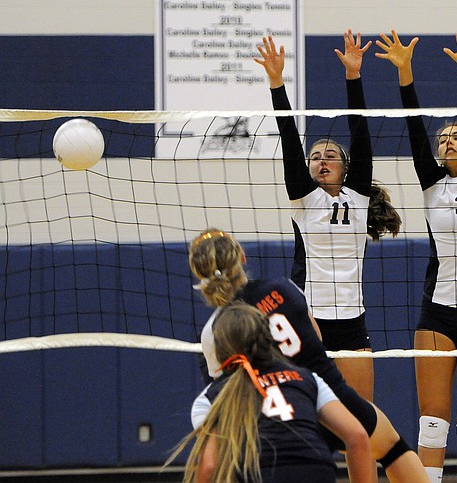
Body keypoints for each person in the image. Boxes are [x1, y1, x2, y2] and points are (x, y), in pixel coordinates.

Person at [188, 228, 428, 483]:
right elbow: (317, 337)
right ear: (242, 257)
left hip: (276, 421)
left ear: (200, 275)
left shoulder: (214, 331)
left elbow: (224, 392)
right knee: (392, 449)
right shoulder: (283, 287)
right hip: (332, 396)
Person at [376, 31, 457, 483]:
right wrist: (405, 73)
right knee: (431, 425)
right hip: (437, 315)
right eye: (444, 137)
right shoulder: (432, 185)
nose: (448, 141)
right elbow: (414, 127)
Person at [254, 30, 402, 403]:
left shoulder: (358, 196)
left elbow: (360, 131)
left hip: (352, 322)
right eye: (315, 157)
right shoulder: (305, 200)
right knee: (308, 413)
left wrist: (353, 75)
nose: (321, 161)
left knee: (363, 417)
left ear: (346, 167)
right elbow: (289, 139)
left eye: (330, 156)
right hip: (309, 320)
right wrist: (277, 84)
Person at [170, 301, 372, 483]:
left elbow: (210, 466)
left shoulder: (213, 396)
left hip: (261, 473)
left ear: (219, 352)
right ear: (268, 339)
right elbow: (359, 436)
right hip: (316, 470)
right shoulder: (307, 378)